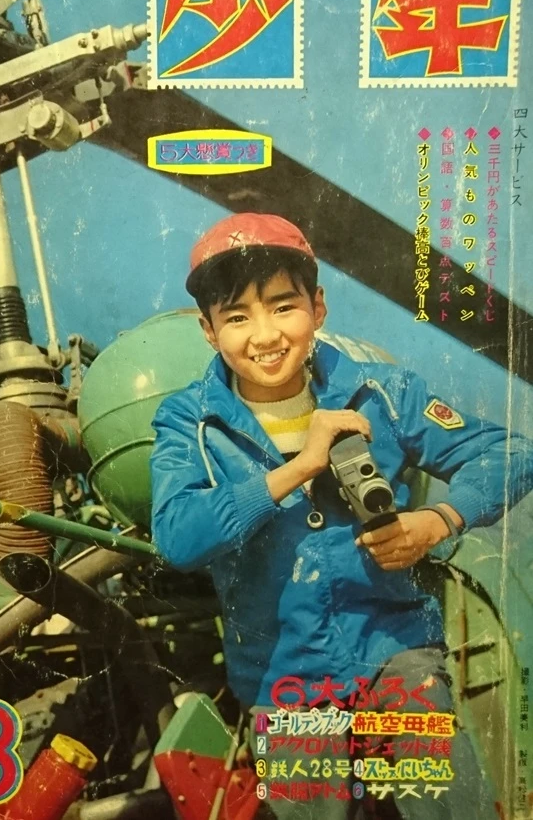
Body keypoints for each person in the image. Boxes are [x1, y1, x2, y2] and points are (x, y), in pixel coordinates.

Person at [150, 212, 533, 819]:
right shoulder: (188, 421)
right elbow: (176, 536)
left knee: (445, 806)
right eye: (237, 317)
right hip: (283, 681)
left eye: (283, 307)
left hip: (395, 656)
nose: (265, 335)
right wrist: (299, 467)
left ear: (318, 307)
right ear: (208, 330)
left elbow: (510, 451)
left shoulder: (384, 393)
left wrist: (440, 519)